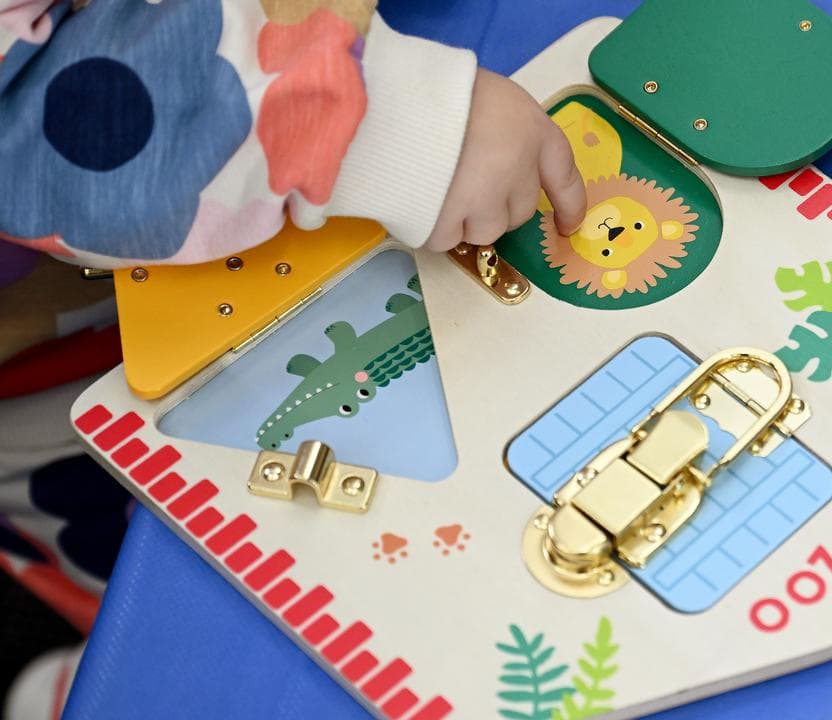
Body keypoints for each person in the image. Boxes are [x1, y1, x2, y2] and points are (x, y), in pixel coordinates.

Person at [0, 0, 586, 716]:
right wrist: (391, 122)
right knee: (177, 581)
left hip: (268, 140)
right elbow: (42, 113)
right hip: (50, 355)